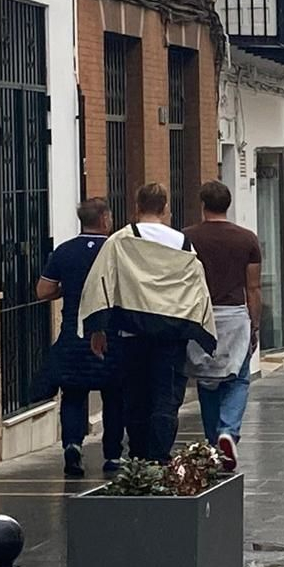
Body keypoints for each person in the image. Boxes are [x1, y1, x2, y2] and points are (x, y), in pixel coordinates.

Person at [80, 183, 216, 463]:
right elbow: (196, 287)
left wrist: (97, 327)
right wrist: (202, 330)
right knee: (166, 396)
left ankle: (139, 455)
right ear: (166, 208)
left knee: (136, 396)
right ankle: (160, 454)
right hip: (171, 333)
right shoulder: (182, 243)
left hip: (132, 331)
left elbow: (100, 281)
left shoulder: (121, 240)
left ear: (137, 206)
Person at [36, 198, 122, 477]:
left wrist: (66, 290)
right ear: (105, 219)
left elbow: (43, 291)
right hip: (110, 334)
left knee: (72, 394)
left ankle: (72, 445)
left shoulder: (64, 251)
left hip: (74, 333)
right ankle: (112, 455)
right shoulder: (117, 251)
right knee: (114, 395)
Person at [183, 181, 261, 471]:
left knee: (206, 378)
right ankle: (228, 430)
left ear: (203, 205)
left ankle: (212, 441)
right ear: (228, 205)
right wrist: (255, 325)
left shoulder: (187, 238)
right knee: (238, 378)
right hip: (234, 314)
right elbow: (253, 287)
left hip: (200, 314)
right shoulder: (247, 239)